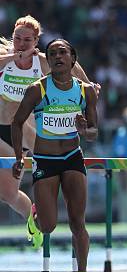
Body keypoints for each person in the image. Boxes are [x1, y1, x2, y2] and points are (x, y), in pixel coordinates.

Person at [0, 15, 97, 249]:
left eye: (27, 40)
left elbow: (74, 70)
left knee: (19, 187)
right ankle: (34, 216)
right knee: (6, 193)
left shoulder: (42, 63)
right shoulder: (6, 60)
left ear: (36, 41)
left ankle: (49, 208)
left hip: (26, 130)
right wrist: (16, 56)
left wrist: (90, 85)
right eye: (17, 39)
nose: (22, 44)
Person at [11, 39, 98, 272]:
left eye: (63, 52)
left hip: (72, 157)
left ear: (73, 59)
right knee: (48, 226)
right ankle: (35, 216)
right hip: (45, 160)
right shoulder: (38, 89)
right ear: (47, 60)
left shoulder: (85, 91)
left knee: (77, 223)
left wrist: (85, 129)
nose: (58, 56)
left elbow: (94, 132)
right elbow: (16, 123)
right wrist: (19, 158)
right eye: (52, 53)